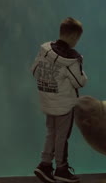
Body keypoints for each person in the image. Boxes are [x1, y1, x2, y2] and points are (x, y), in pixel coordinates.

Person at [31, 17, 88, 183]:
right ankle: (61, 169)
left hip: (47, 100)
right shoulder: (71, 59)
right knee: (62, 136)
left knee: (51, 133)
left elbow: (34, 71)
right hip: (64, 104)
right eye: (78, 38)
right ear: (73, 37)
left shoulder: (45, 51)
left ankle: (45, 164)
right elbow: (79, 82)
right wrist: (82, 74)